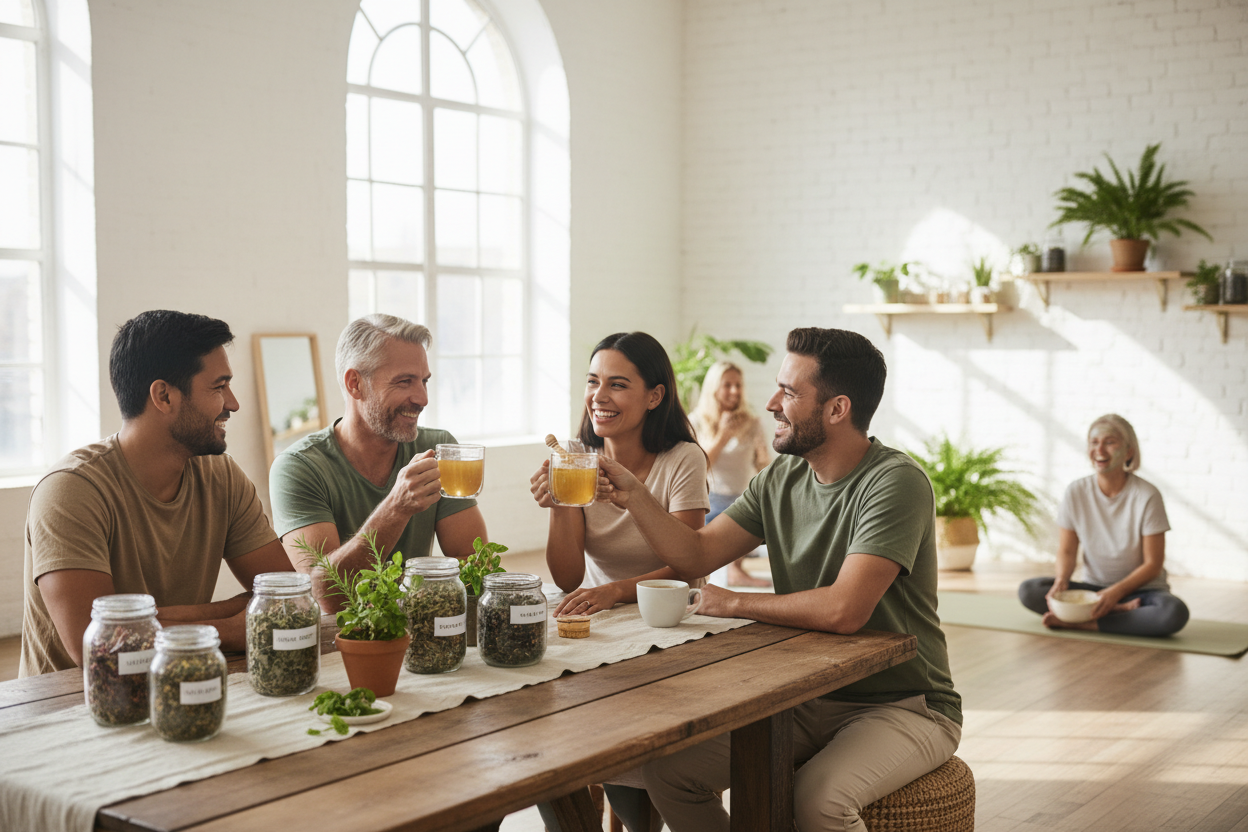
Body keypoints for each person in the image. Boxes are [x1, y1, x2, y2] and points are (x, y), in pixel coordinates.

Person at [596, 326, 962, 832]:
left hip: (904, 704)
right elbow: (697, 552)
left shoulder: (895, 483)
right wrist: (635, 495)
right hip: (808, 696)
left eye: (789, 392)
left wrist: (733, 602)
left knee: (818, 801)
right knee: (671, 772)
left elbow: (844, 610)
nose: (771, 404)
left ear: (837, 409)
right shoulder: (780, 479)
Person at [20, 310, 293, 677]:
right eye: (219, 387)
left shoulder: (222, 477)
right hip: (75, 701)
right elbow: (95, 645)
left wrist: (146, 620)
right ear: (164, 396)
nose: (233, 403)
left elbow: (286, 598)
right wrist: (230, 627)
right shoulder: (70, 490)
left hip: (178, 682)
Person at [529, 331, 710, 832]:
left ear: (654, 396)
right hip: (601, 623)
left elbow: (688, 564)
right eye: (593, 382)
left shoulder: (682, 459)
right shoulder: (573, 457)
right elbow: (567, 577)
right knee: (553, 730)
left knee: (631, 767)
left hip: (670, 621)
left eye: (617, 384)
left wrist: (612, 592)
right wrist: (560, 503)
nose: (599, 396)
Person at [269, 314, 487, 610]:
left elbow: (476, 566)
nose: (422, 398)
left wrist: (411, 592)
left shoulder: (437, 449)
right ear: (355, 384)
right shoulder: (298, 468)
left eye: (424, 381)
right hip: (343, 635)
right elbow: (327, 596)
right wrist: (396, 507)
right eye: (404, 381)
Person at [1018, 414, 1189, 636]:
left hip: (1141, 592)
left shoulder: (1147, 495)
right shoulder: (1076, 491)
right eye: (1094, 442)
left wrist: (1115, 594)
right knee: (1029, 590)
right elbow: (1067, 550)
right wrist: (1062, 581)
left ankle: (1083, 623)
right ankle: (1119, 613)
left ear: (1128, 452)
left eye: (1109, 442)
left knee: (1174, 612)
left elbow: (1153, 564)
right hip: (1093, 592)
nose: (1099, 449)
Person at [690, 360, 771, 588]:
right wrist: (723, 435)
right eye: (727, 385)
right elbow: (698, 466)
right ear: (713, 388)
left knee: (756, 504)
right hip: (709, 499)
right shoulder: (696, 421)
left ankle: (735, 569)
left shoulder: (751, 422)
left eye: (738, 385)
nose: (734, 391)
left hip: (741, 497)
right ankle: (725, 571)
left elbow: (763, 466)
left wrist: (764, 456)